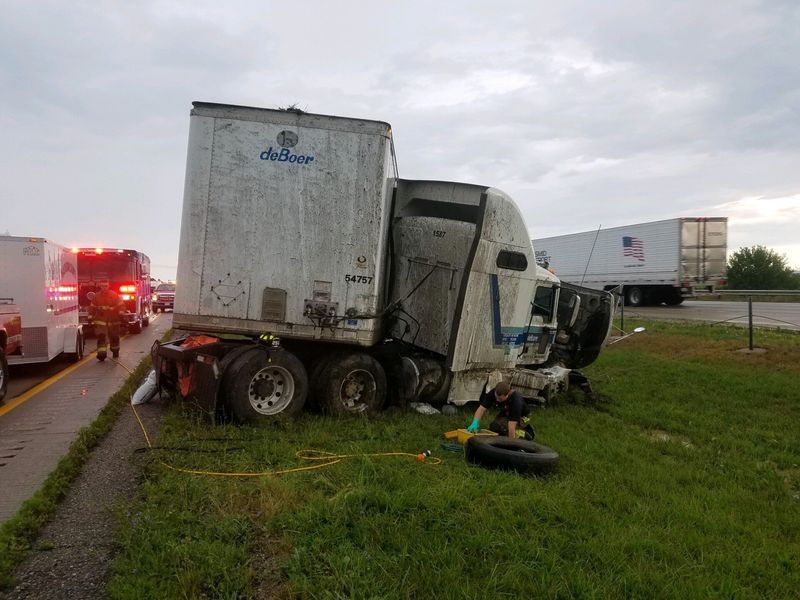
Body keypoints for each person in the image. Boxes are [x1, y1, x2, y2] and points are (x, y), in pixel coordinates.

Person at [466, 381, 535, 440]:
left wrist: (512, 445)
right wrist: (475, 422)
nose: (497, 400)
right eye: (496, 398)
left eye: (500, 399)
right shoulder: (494, 393)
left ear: (507, 395)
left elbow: (511, 425)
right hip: (507, 411)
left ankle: (524, 433)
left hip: (522, 416)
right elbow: (481, 409)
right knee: (494, 427)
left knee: (503, 429)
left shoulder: (516, 402)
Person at [89, 282, 125, 361]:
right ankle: (101, 354)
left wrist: (121, 312)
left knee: (114, 337)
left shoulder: (114, 295)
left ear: (109, 286)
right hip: (101, 320)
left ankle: (115, 351)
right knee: (101, 337)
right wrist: (90, 316)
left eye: (105, 286)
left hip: (113, 320)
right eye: (102, 286)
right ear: (100, 286)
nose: (104, 288)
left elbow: (121, 305)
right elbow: (92, 307)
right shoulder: (96, 296)